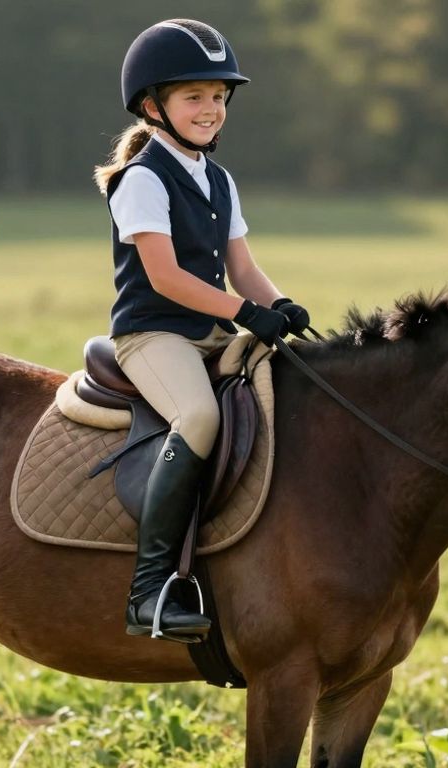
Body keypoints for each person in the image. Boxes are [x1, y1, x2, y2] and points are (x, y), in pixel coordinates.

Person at [92, 19, 311, 642]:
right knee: (199, 418)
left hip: (211, 333)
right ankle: (150, 589)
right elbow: (162, 277)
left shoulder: (218, 178)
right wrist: (246, 313)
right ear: (152, 106)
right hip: (154, 335)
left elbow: (242, 266)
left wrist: (283, 306)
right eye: (194, 97)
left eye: (219, 97)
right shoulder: (142, 179)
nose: (211, 109)